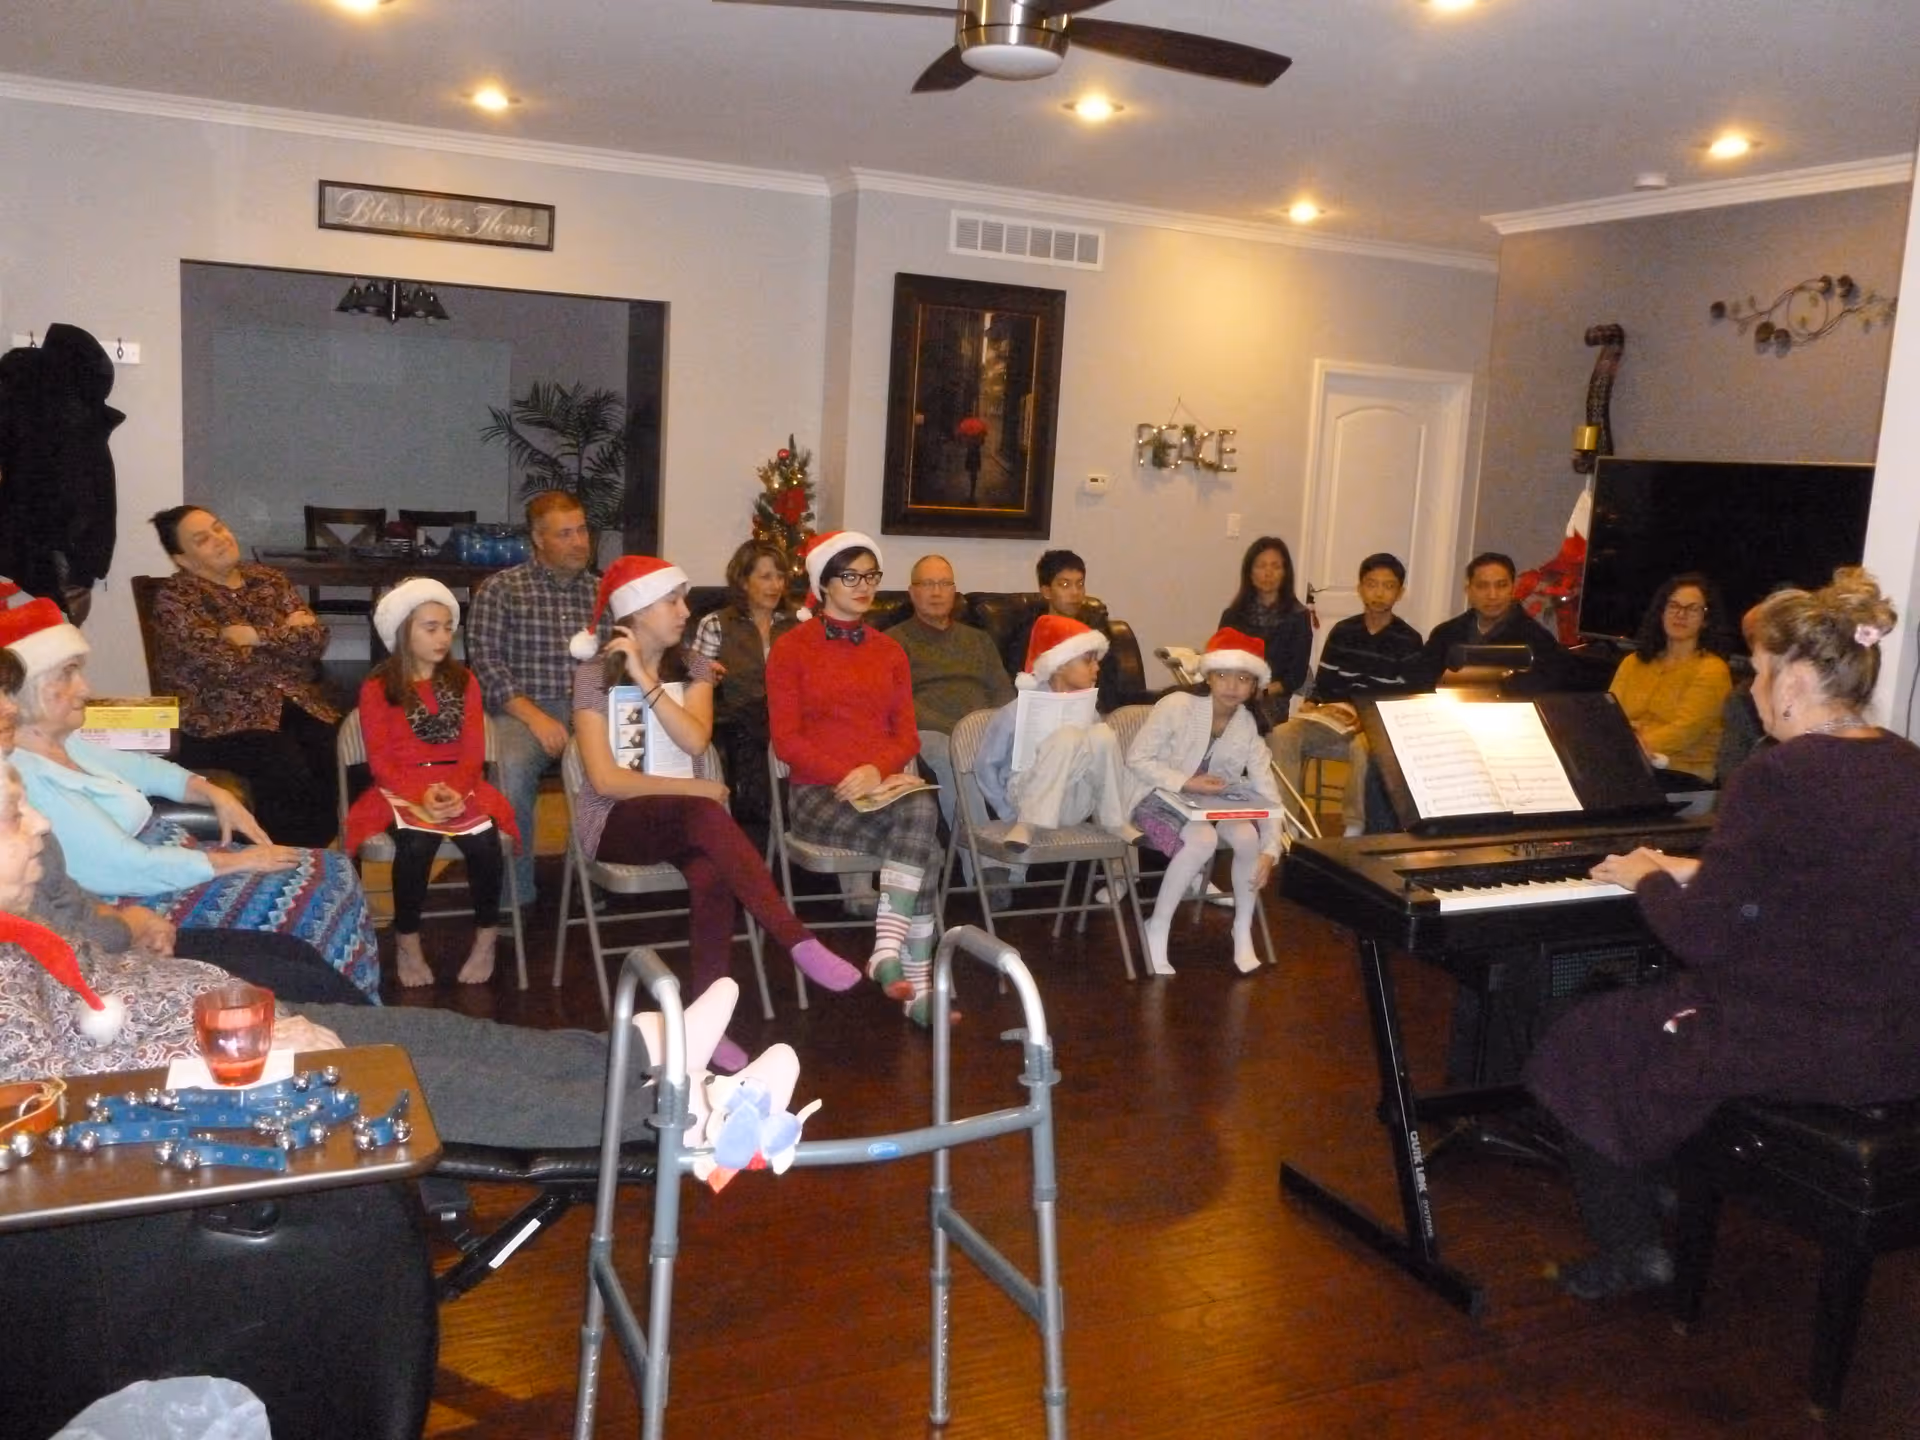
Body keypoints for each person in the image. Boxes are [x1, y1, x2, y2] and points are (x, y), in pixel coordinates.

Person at [0, 754, 778, 1156]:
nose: (38, 828)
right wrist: (220, 1055)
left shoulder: (20, 921)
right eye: (14, 817)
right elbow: (53, 1102)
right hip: (206, 1088)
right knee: (421, 1078)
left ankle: (633, 1053)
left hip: (219, 1032)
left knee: (430, 1034)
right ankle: (693, 1116)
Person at [1526, 569, 1920, 1300]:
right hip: (1894, 1039)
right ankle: (1670, 1179)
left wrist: (1646, 873)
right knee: (1652, 1020)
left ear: (1797, 682)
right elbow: (1824, 881)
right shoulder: (1905, 764)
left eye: (1763, 673)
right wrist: (1693, 865)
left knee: (1579, 1041)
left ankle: (1634, 1246)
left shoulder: (1776, 777)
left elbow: (1699, 939)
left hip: (1800, 1040)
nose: (1752, 689)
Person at [1, 597, 380, 998]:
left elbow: (146, 768)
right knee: (319, 894)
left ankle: (360, 1011)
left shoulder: (66, 742)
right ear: (25, 692)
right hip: (143, 890)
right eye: (68, 674)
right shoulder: (23, 776)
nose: (86, 687)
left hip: (175, 865)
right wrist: (234, 861)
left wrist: (210, 790)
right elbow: (124, 867)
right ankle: (345, 1018)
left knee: (334, 870)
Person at [570, 555, 862, 1070]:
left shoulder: (697, 667)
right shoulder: (593, 676)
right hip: (617, 820)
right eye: (672, 601)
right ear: (636, 611)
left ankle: (704, 1024)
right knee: (706, 814)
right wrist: (698, 793)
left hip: (683, 818)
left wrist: (644, 676)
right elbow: (604, 779)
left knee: (711, 872)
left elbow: (695, 738)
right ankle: (794, 938)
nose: (685, 611)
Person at [766, 531, 949, 1026]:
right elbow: (786, 741)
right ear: (824, 583)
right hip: (818, 794)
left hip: (880, 789)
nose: (864, 586)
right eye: (851, 576)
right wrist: (849, 775)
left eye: (871, 576)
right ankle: (918, 986)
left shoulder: (889, 651)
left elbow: (908, 736)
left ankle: (887, 951)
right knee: (926, 846)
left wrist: (877, 771)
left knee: (919, 805)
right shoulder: (790, 649)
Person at [345, 579, 520, 989]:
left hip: (462, 782)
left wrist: (455, 790)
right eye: (430, 627)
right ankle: (407, 941)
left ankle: (486, 938)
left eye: (447, 627)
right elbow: (382, 760)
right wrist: (419, 794)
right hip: (400, 786)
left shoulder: (464, 682)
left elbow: (474, 751)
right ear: (404, 631)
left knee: (484, 843)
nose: (443, 636)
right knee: (416, 843)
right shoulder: (378, 687)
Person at [147, 505, 341, 848]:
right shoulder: (176, 599)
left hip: (292, 702)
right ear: (184, 559)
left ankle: (316, 853)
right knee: (284, 765)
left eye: (219, 528)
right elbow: (224, 664)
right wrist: (285, 637)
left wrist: (253, 636)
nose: (219, 539)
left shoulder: (268, 579)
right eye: (202, 539)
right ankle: (280, 855)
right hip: (219, 719)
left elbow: (316, 640)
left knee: (339, 750)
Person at [1122, 628, 1287, 977]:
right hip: (1154, 796)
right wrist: (1186, 781)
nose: (1231, 685)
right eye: (1223, 675)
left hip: (1209, 804)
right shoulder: (1178, 706)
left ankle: (1241, 927)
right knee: (1203, 839)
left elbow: (1268, 792)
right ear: (1208, 676)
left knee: (1247, 838)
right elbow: (1137, 758)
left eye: (1243, 678)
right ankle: (1158, 925)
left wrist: (1271, 851)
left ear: (1255, 686)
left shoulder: (1247, 727)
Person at [467, 491, 604, 907]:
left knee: (615, 763)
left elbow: (616, 661)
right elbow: (487, 665)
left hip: (586, 707)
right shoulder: (501, 589)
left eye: (582, 530)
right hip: (520, 710)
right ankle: (514, 895)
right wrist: (536, 717)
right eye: (566, 534)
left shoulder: (602, 593)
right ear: (538, 540)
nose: (580, 542)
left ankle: (590, 873)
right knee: (509, 770)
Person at [1267, 552, 1424, 836]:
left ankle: (1354, 826)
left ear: (1399, 593)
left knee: (1364, 747)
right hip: (1335, 719)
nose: (1378, 593)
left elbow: (1407, 699)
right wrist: (1313, 705)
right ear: (1360, 588)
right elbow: (1325, 685)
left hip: (1376, 725)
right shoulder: (1342, 631)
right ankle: (1288, 824)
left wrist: (1369, 718)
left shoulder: (1409, 640)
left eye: (1388, 586)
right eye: (1371, 584)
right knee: (1282, 734)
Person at [889, 555, 1016, 895]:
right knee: (951, 754)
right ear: (912, 592)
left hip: (984, 729)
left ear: (955, 592)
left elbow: (1003, 692)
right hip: (930, 733)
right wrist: (960, 730)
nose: (936, 592)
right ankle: (987, 869)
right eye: (927, 584)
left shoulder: (978, 640)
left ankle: (1022, 862)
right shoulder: (893, 642)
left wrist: (995, 728)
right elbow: (899, 704)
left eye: (944, 584)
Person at [975, 616, 1137, 850]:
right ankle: (1028, 823)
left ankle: (1114, 819)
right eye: (1088, 661)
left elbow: (1098, 764)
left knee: (1102, 734)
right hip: (1025, 798)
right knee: (1067, 736)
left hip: (1072, 801)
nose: (1097, 668)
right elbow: (986, 765)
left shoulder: (1088, 710)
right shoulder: (1017, 710)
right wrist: (1006, 811)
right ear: (1060, 665)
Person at [689, 538, 798, 824]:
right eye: (765, 577)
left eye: (780, 576)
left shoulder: (796, 624)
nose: (776, 585)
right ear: (743, 581)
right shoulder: (716, 624)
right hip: (742, 725)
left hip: (791, 720)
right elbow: (698, 685)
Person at [1607, 573, 1736, 788]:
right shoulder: (1632, 662)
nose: (1680, 614)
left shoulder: (1712, 670)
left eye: (1692, 609)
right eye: (1674, 605)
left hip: (1682, 773)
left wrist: (1628, 746)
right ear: (1661, 611)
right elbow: (1610, 716)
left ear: (1706, 620)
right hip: (1631, 764)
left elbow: (1684, 732)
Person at [1417, 551, 1570, 694]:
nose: (1492, 595)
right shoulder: (1445, 634)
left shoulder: (1537, 639)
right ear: (1468, 590)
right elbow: (1422, 683)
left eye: (1501, 585)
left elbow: (1548, 693)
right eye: (1482, 586)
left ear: (1513, 588)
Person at [1002, 548, 1125, 714]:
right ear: (1046, 591)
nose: (1075, 593)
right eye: (1065, 585)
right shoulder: (1030, 634)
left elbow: (1110, 691)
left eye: (1080, 584)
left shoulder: (1095, 635)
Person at [1218, 536, 1313, 731]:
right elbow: (1220, 660)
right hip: (1230, 691)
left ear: (1285, 573)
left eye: (1276, 566)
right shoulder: (1232, 615)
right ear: (1250, 573)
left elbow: (1294, 678)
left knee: (1239, 723)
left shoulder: (1298, 617)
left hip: (1269, 699)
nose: (1268, 573)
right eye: (1261, 566)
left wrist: (1261, 691)